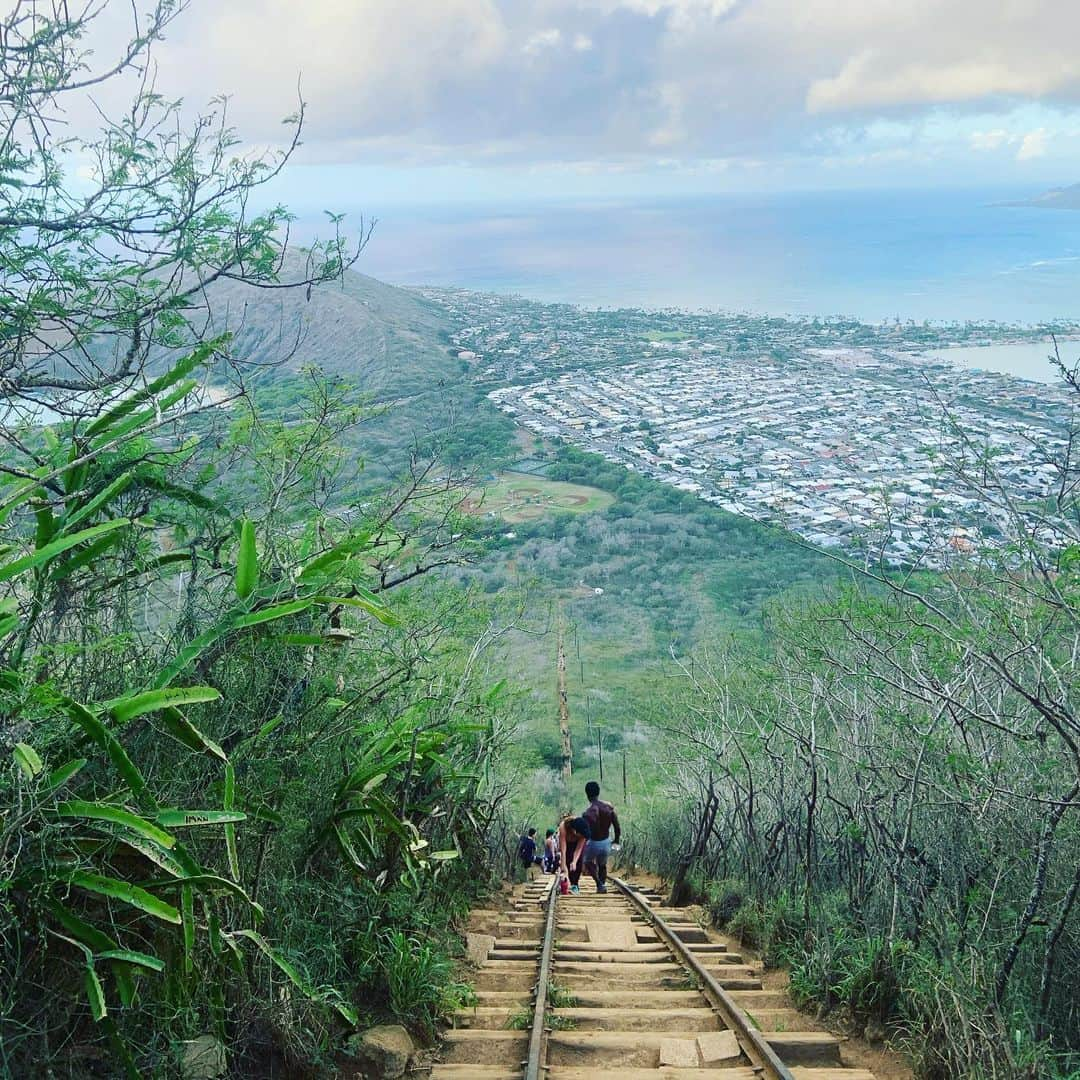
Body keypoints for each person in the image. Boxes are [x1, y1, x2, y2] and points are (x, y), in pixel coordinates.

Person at [581, 780, 621, 894]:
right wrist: (616, 841)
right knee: (602, 865)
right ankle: (602, 885)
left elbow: (585, 832)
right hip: (606, 842)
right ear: (598, 793)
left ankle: (599, 883)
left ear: (587, 794)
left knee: (587, 861)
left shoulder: (587, 813)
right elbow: (617, 827)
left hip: (594, 842)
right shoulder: (609, 808)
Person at [556, 815, 592, 894]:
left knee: (578, 864)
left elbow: (579, 848)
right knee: (567, 862)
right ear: (575, 831)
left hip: (576, 846)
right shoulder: (563, 827)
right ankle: (566, 882)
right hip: (566, 845)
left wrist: (574, 861)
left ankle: (575, 884)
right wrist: (564, 866)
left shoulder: (584, 831)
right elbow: (563, 850)